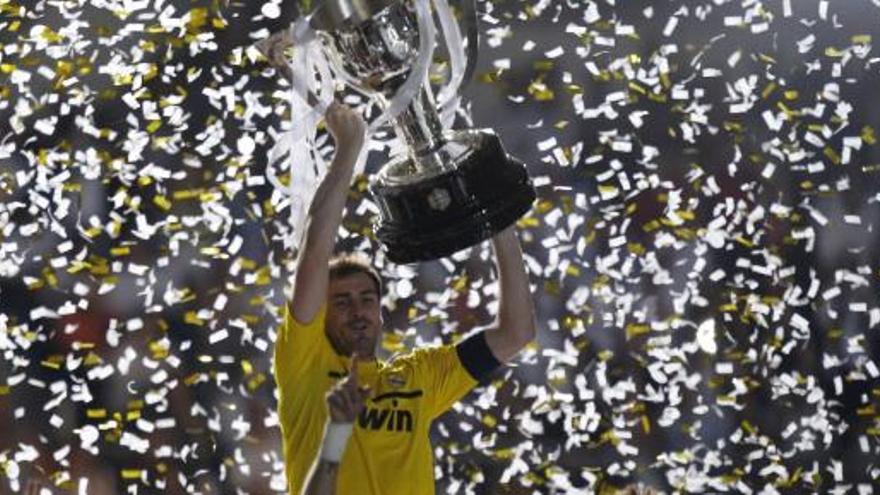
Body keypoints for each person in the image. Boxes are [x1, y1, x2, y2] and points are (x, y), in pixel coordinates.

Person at [272, 97, 536, 494]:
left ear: (381, 312)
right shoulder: (305, 365)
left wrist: (495, 219)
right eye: (341, 302)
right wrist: (348, 151)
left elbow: (516, 334)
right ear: (321, 314)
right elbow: (314, 256)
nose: (358, 310)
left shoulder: (417, 377)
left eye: (366, 299)